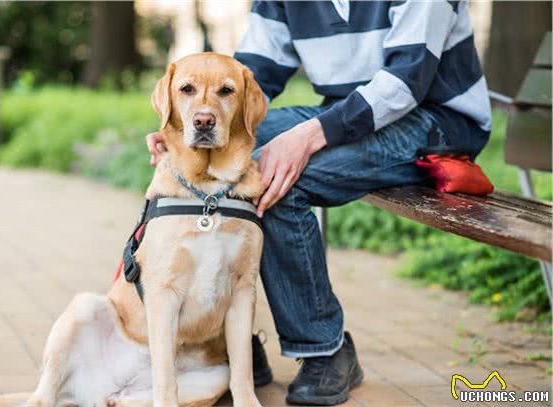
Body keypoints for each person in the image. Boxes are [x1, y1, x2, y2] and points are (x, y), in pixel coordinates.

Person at [147, 1, 491, 405]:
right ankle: (224, 336)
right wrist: (180, 130)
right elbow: (253, 71)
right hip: (349, 113)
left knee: (278, 177)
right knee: (213, 155)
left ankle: (324, 348)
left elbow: (406, 82)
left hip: (435, 119)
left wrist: (308, 136)